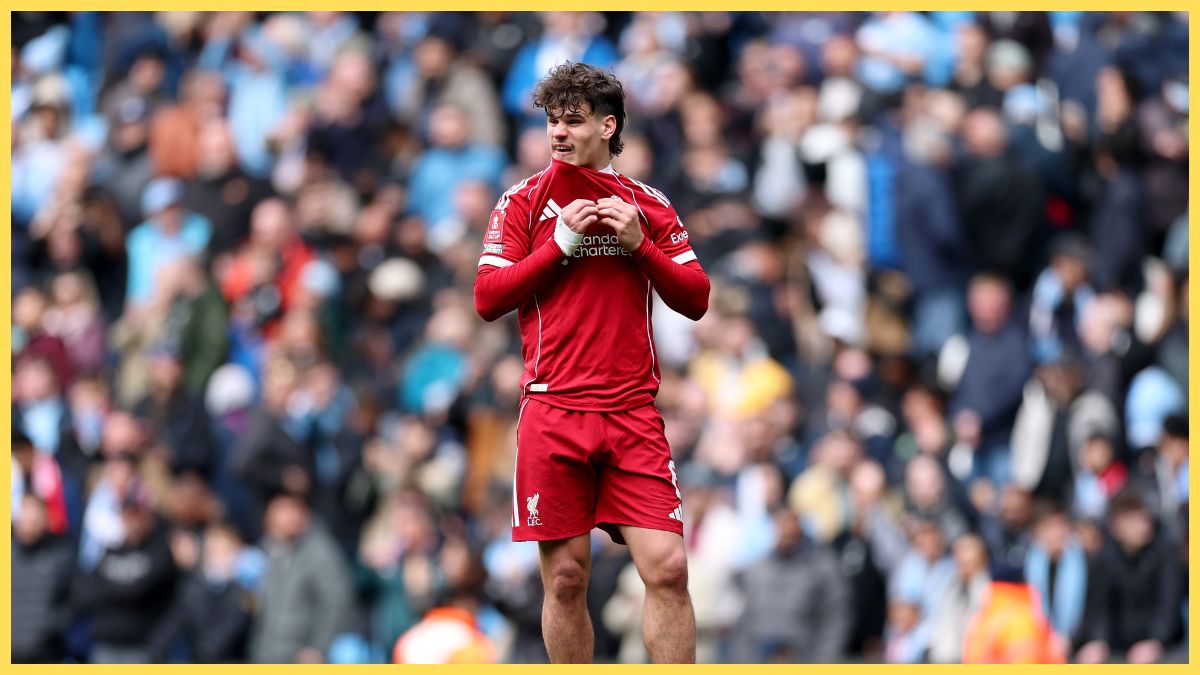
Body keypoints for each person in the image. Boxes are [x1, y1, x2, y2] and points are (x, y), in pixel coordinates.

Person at [473, 62, 710, 664]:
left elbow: (696, 297)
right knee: (566, 579)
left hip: (632, 412)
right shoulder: (524, 202)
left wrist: (641, 247)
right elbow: (488, 299)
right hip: (554, 409)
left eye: (572, 121)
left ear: (607, 126)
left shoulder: (645, 204)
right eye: (551, 120)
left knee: (669, 568)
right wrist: (558, 247)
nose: (557, 132)